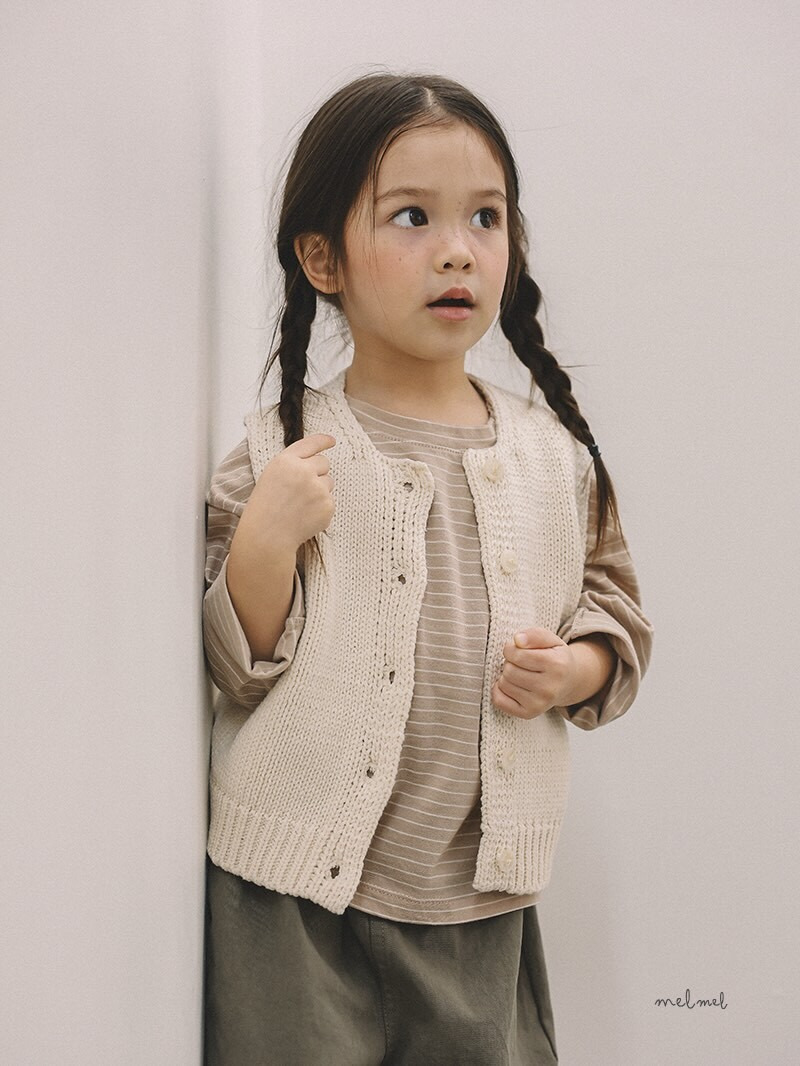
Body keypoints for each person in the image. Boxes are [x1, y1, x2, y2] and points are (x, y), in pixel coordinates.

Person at [202, 72, 653, 1066]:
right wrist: (265, 542)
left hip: (477, 907)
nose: (458, 249)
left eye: (485, 217)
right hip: (294, 902)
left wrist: (572, 670)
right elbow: (240, 666)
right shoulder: (283, 453)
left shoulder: (554, 458)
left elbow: (613, 610)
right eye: (411, 216)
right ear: (321, 258)